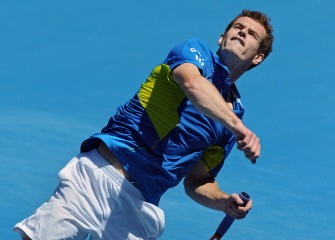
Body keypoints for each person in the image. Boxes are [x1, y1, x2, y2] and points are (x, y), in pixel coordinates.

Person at [14, 9, 274, 240]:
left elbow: (197, 181)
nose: (242, 32)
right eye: (237, 27)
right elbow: (192, 84)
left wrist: (224, 202)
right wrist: (238, 128)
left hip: (139, 207)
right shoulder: (195, 53)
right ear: (222, 37)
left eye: (251, 34)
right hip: (96, 175)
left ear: (258, 57)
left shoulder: (232, 120)